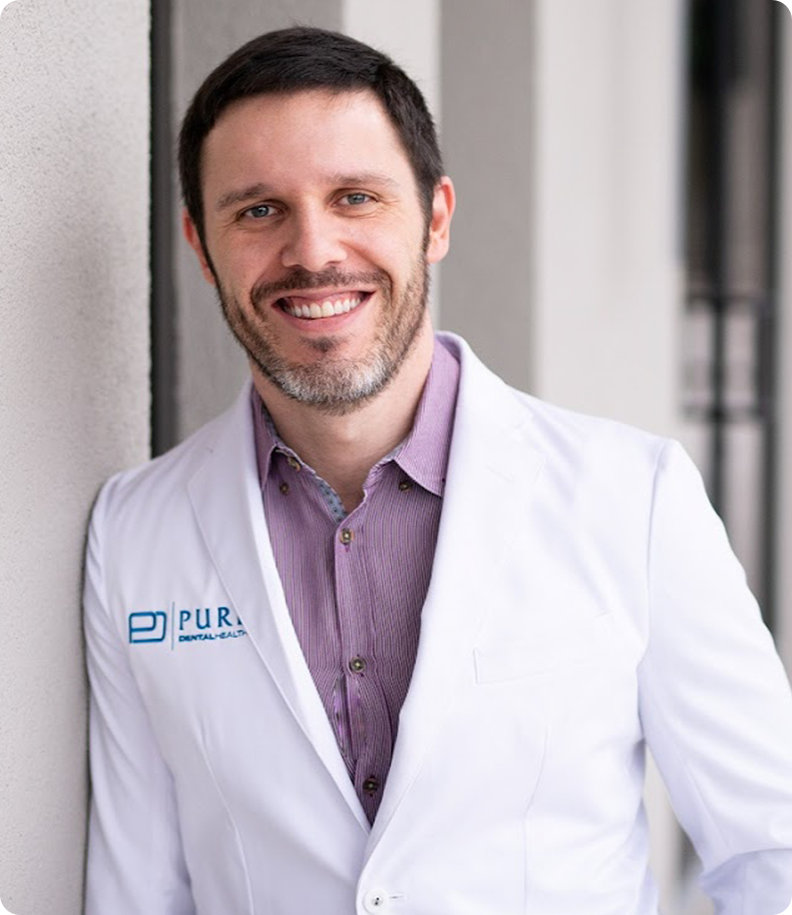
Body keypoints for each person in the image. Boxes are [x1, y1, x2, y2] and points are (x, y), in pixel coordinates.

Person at [83, 26, 792, 915]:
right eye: (258, 210)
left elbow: (771, 846)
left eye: (355, 196)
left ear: (437, 218)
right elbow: (136, 892)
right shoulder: (134, 533)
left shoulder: (633, 497)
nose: (313, 250)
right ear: (199, 243)